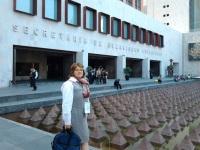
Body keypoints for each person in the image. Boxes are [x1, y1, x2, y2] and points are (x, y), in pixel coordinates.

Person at [61, 63, 90, 150]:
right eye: (77, 70)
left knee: (83, 140)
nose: (79, 71)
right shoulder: (68, 84)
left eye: (81, 70)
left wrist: (87, 112)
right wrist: (67, 122)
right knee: (79, 141)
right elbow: (66, 104)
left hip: (82, 116)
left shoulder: (84, 83)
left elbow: (86, 99)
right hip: (74, 117)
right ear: (72, 72)